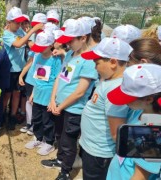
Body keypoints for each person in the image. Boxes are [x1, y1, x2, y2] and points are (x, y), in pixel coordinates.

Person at [41, 19, 98, 180]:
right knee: (59, 135)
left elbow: (80, 92)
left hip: (73, 109)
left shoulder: (88, 60)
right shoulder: (70, 55)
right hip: (59, 105)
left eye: (72, 40)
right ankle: (60, 159)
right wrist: (53, 100)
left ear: (83, 38)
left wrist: (61, 106)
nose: (69, 44)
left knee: (68, 140)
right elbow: (60, 78)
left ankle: (66, 170)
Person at [105, 38, 161, 180]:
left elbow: (140, 177)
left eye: (128, 97)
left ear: (148, 99)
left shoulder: (153, 133)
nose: (125, 102)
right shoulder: (142, 112)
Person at [79, 37, 133, 179]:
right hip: (93, 147)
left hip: (100, 153)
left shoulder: (116, 89)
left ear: (113, 62)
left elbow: (117, 134)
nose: (94, 66)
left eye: (97, 63)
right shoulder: (110, 80)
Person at [3, 7, 44, 130]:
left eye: (20, 22)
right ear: (9, 22)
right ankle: (1, 115)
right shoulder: (6, 34)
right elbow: (18, 44)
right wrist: (31, 31)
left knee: (16, 93)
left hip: (20, 69)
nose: (19, 24)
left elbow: (29, 43)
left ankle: (13, 116)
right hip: (9, 70)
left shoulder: (20, 32)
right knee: (6, 95)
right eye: (16, 22)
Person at [24, 32, 61, 156]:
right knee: (37, 118)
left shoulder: (55, 59)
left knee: (48, 121)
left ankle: (49, 142)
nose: (39, 50)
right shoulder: (38, 56)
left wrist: (53, 99)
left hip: (48, 95)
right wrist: (33, 93)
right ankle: (38, 138)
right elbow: (37, 77)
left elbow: (57, 79)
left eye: (42, 47)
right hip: (38, 93)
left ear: (51, 45)